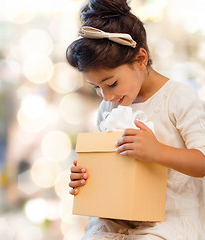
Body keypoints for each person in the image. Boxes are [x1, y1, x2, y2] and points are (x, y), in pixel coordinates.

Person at [66, 0, 205, 239]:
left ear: (140, 59)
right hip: (117, 216)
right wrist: (86, 175)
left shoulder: (178, 98)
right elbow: (112, 163)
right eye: (95, 87)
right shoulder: (108, 107)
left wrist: (158, 151)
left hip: (168, 221)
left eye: (111, 84)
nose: (106, 95)